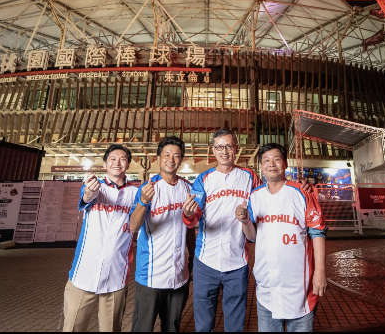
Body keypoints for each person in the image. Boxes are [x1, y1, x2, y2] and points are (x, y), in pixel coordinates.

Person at [236, 143, 328, 332]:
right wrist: (245, 221)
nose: (271, 164)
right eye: (266, 160)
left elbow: (318, 232)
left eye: (276, 159)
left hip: (300, 287)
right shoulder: (255, 196)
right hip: (267, 288)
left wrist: (320, 272)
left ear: (285, 163)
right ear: (261, 166)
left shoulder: (302, 193)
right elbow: (252, 237)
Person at [181, 128, 260, 332]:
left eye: (228, 146)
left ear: (236, 149)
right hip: (206, 261)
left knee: (235, 323)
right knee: (204, 323)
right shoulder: (203, 179)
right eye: (219, 147)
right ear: (213, 151)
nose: (224, 151)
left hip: (238, 262)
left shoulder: (250, 177)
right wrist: (189, 214)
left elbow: (264, 202)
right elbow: (193, 217)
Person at [62, 144, 137, 332]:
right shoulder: (95, 186)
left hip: (116, 275)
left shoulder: (135, 194)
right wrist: (89, 191)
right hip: (83, 274)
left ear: (128, 164)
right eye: (112, 158)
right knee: (72, 327)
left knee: (112, 328)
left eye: (122, 159)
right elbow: (87, 197)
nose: (117, 163)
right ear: (105, 164)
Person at [130, 136, 196, 332]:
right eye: (166, 154)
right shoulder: (148, 188)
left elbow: (189, 229)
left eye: (176, 155)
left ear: (181, 160)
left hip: (179, 274)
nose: (171, 159)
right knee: (143, 327)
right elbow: (133, 227)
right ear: (158, 159)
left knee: (172, 327)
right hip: (151, 274)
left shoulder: (187, 188)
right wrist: (143, 201)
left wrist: (191, 258)